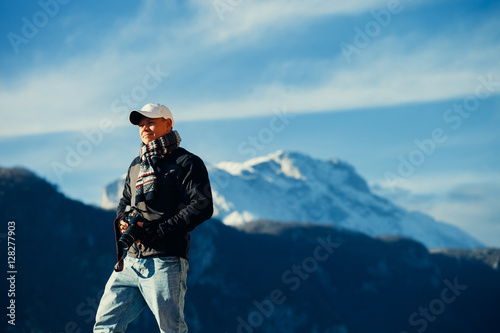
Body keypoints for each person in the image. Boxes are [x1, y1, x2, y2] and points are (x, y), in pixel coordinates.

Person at [94, 103, 213, 332]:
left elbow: (202, 205)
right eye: (141, 124)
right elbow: (125, 200)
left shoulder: (187, 162)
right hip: (129, 261)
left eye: (151, 122)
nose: (144, 128)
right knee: (105, 325)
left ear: (168, 124)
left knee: (171, 329)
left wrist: (159, 230)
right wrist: (122, 220)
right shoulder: (137, 164)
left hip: (165, 261)